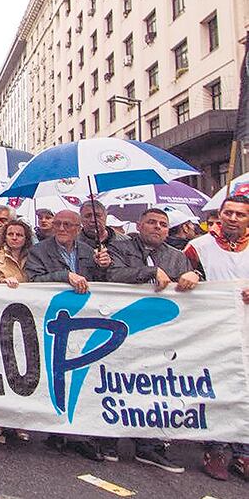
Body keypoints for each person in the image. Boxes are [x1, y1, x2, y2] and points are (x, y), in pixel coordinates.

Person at [104, 207, 199, 474]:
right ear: (139, 225)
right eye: (152, 222)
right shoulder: (120, 249)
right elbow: (113, 275)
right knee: (117, 382)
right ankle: (109, 437)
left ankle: (150, 445)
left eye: (163, 224)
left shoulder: (178, 257)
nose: (157, 227)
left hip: (161, 333)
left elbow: (192, 287)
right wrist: (149, 271)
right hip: (123, 328)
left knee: (154, 388)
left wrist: (196, 276)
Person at [25, 209, 110, 461]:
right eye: (58, 224)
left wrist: (104, 267)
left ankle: (80, 434)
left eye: (68, 225)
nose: (61, 228)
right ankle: (57, 430)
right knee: (57, 374)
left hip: (85, 322)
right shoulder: (39, 251)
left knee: (83, 376)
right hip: (55, 321)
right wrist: (64, 276)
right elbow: (34, 278)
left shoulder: (89, 252)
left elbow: (105, 284)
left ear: (78, 227)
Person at [182, 196, 249, 481]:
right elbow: (179, 275)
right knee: (217, 387)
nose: (233, 218)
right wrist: (190, 276)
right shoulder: (198, 247)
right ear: (219, 215)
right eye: (228, 213)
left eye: (240, 214)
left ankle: (243, 450)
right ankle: (216, 448)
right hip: (215, 330)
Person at [0, 219, 34, 444]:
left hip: (30, 322)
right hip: (4, 321)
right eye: (11, 234)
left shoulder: (34, 260)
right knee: (4, 369)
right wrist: (3, 281)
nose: (15, 238)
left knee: (27, 372)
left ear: (26, 238)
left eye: (19, 235)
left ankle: (20, 421)